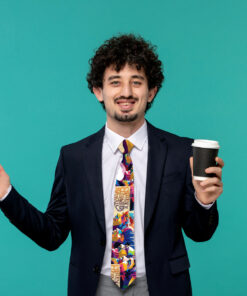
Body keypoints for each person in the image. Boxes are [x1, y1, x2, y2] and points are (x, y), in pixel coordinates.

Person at [0, 34, 224, 296]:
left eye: (136, 82)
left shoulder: (181, 152)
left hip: (162, 286)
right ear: (98, 91)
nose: (126, 92)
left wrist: (204, 202)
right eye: (115, 82)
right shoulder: (73, 158)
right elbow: (52, 234)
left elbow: (200, 233)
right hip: (96, 287)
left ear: (151, 91)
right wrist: (6, 194)